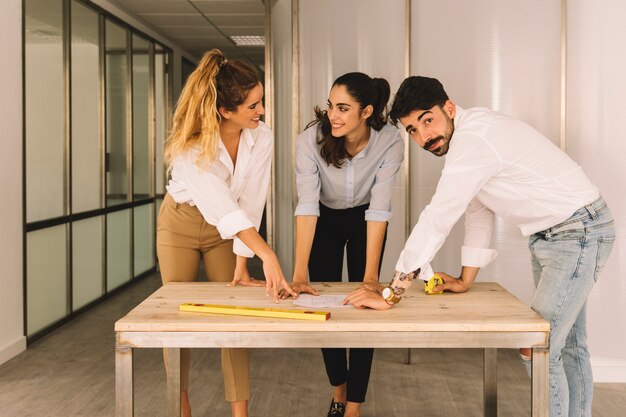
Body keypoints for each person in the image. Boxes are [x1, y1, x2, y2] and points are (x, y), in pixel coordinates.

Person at [344, 76, 616, 417]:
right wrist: (465, 279)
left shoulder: (474, 140)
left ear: (449, 108)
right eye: (412, 130)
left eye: (427, 120)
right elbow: (478, 210)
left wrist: (392, 293)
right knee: (567, 346)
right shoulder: (467, 140)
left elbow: (439, 216)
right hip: (556, 235)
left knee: (539, 346)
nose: (423, 136)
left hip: (577, 232)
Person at [157, 49, 296, 417]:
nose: (262, 111)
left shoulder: (260, 136)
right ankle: (181, 408)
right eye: (253, 105)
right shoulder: (190, 147)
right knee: (177, 319)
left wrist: (242, 263)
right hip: (181, 224)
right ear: (224, 111)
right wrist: (267, 253)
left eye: (261, 101)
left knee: (234, 317)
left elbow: (251, 201)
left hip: (230, 228)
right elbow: (222, 206)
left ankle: (240, 413)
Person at [280, 72, 404, 417]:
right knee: (321, 308)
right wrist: (299, 272)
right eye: (332, 105)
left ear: (366, 112)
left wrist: (369, 279)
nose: (333, 114)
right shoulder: (310, 139)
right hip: (324, 219)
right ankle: (338, 391)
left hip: (367, 218)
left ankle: (353, 406)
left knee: (367, 308)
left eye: (343, 108)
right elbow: (306, 205)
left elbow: (380, 209)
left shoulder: (390, 140)